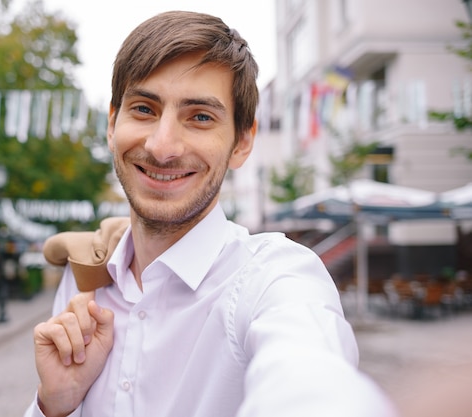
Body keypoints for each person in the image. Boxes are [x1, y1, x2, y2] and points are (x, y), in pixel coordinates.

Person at [24, 10, 397, 417]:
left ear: (242, 141)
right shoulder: (83, 278)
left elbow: (311, 379)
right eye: (144, 109)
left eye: (200, 117)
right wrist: (55, 405)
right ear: (112, 124)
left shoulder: (274, 279)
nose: (162, 147)